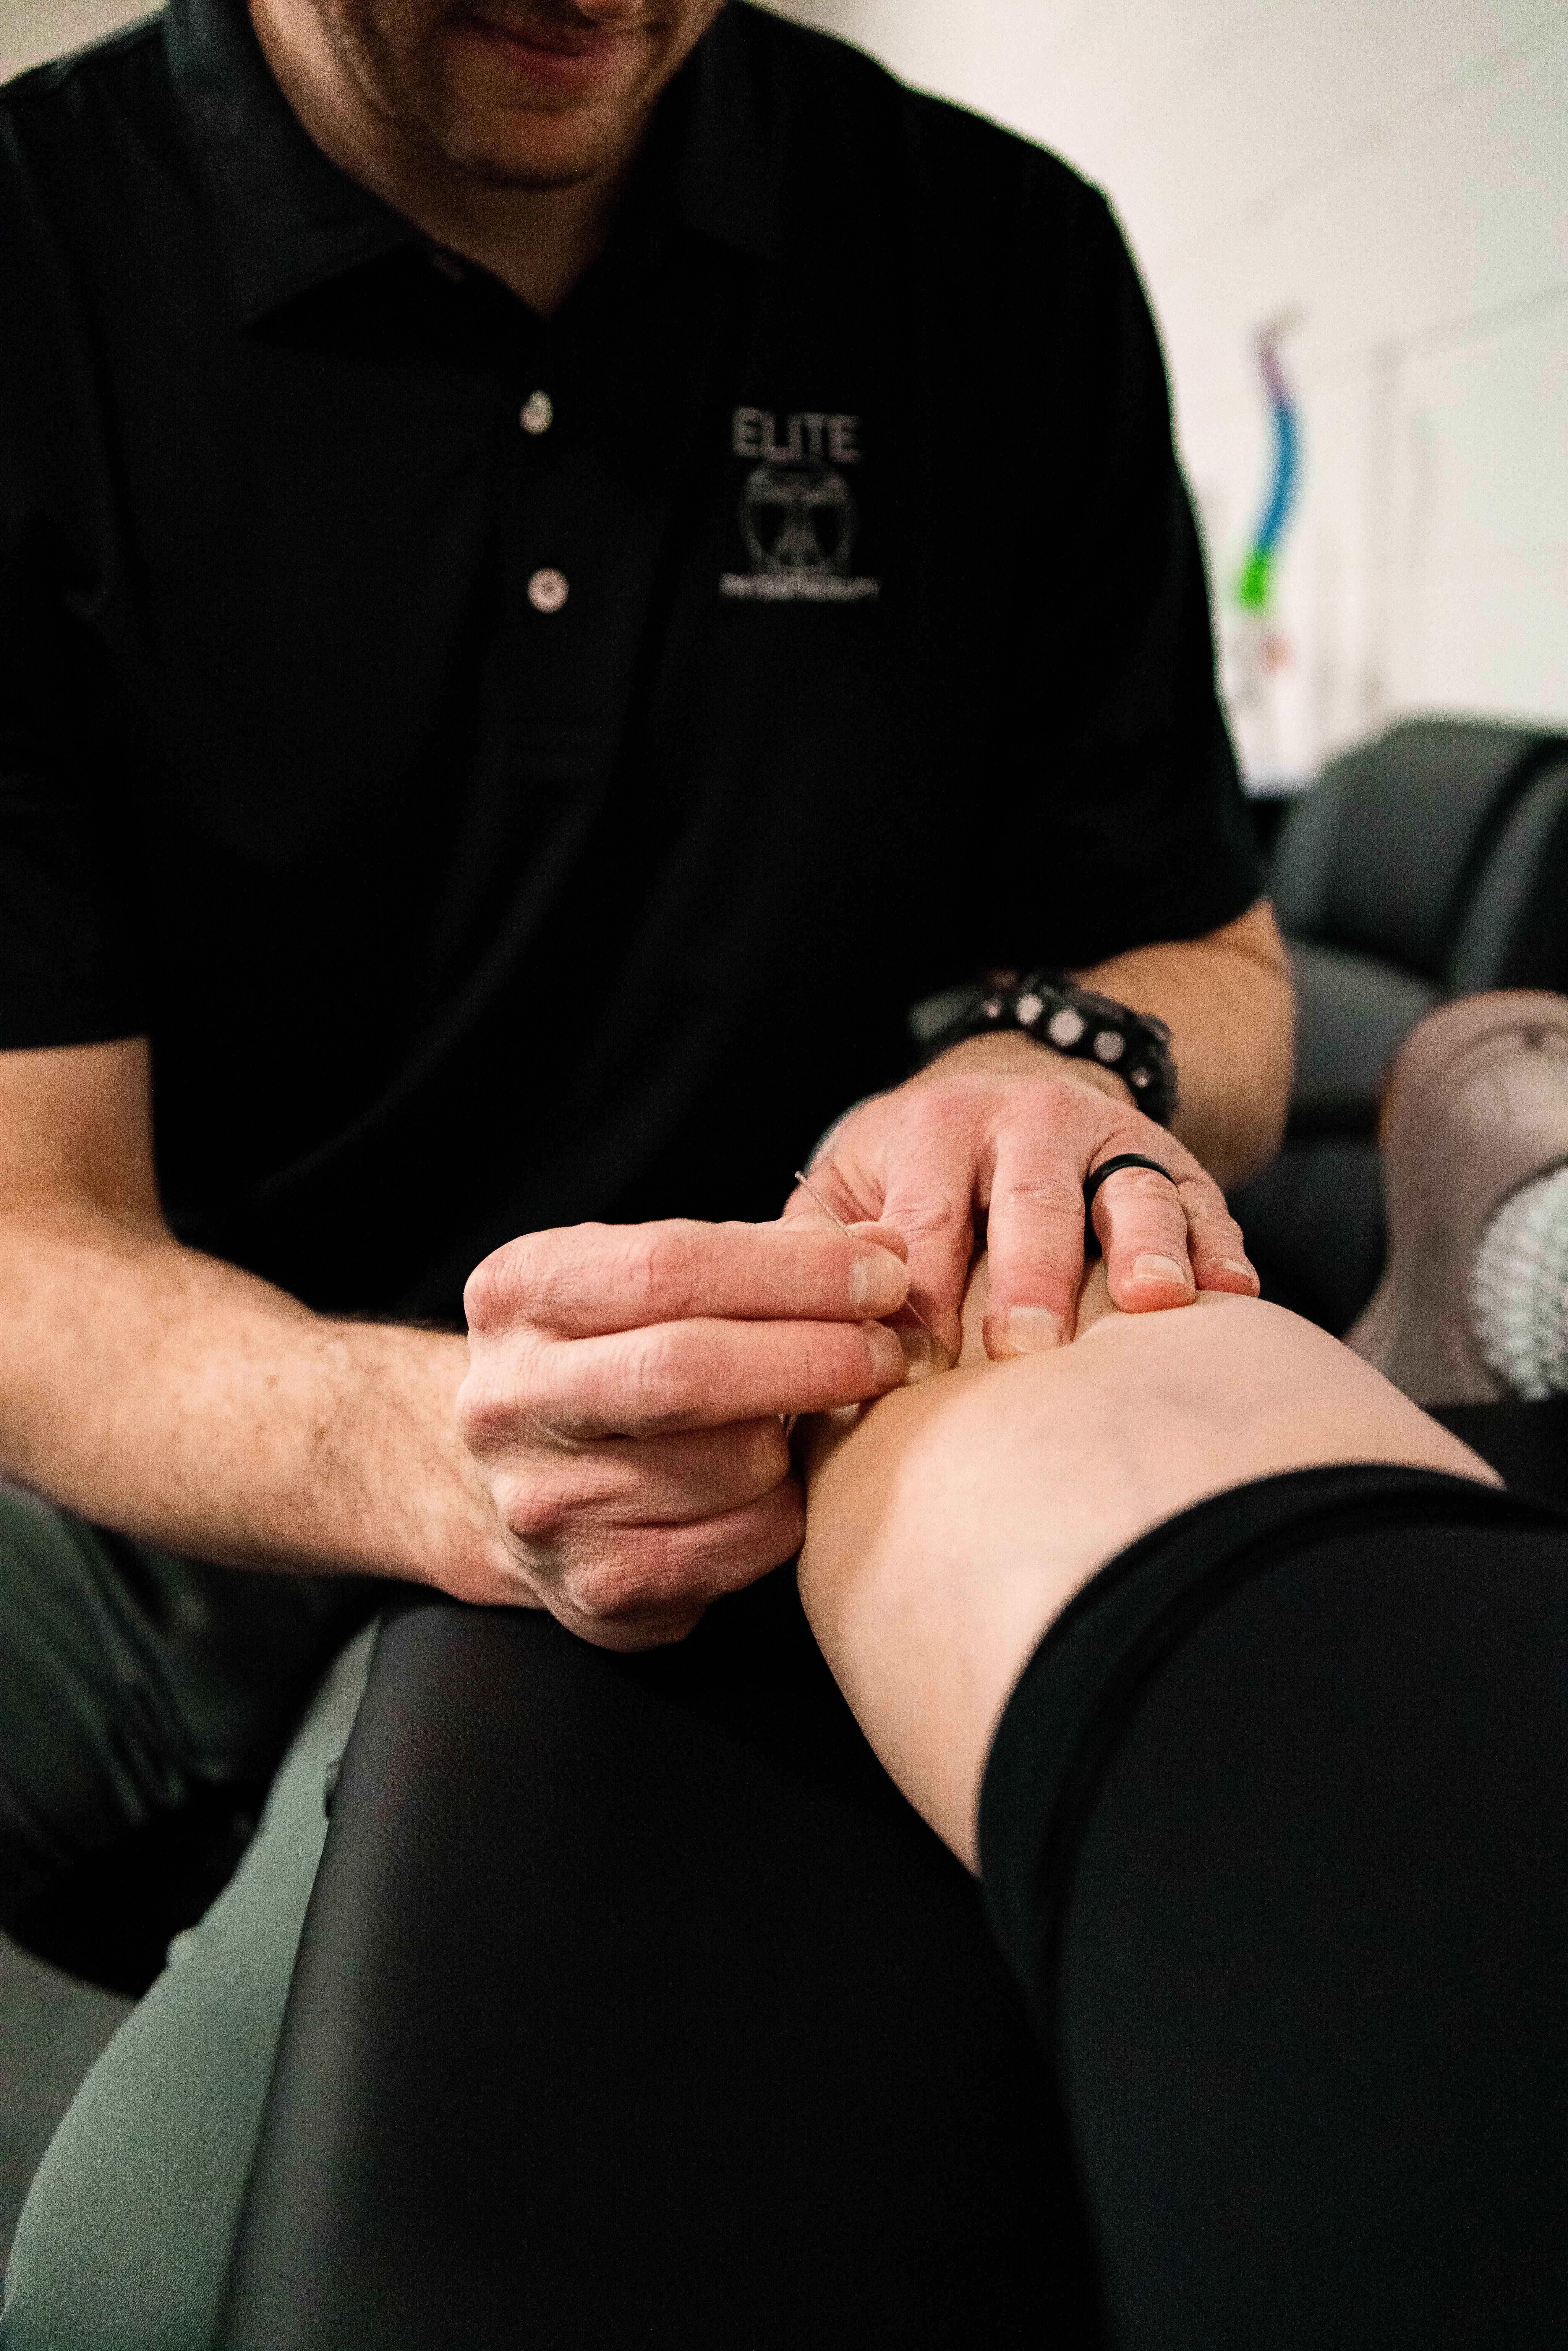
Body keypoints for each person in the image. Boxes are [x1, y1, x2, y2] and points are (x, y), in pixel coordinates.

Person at [0, 1, 1289, 1962]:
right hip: (192, 1497)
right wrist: (442, 1446)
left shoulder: (990, 257)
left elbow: (1215, 966)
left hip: (822, 1486)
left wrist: (1039, 1072)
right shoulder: (41, 261)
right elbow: (29, 1235)